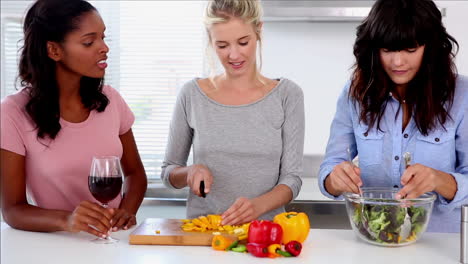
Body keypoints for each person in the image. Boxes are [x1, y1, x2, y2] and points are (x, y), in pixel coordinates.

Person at [0, 0, 147, 238]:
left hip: (113, 242)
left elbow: (135, 173)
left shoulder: (110, 100)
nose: (104, 48)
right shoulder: (12, 112)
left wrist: (127, 211)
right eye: (89, 42)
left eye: (103, 37)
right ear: (54, 50)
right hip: (57, 245)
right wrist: (67, 220)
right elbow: (12, 210)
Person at [318, 0, 467, 233]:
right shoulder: (355, 93)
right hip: (375, 239)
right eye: (387, 50)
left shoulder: (462, 96)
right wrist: (334, 179)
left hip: (442, 245)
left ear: (431, 47)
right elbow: (331, 166)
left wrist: (439, 180)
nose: (397, 62)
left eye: (410, 49)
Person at [161, 0, 304, 226]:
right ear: (210, 41)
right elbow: (169, 173)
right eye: (222, 45)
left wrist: (258, 206)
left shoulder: (287, 95)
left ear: (258, 30)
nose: (234, 55)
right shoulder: (192, 94)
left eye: (243, 42)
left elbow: (292, 180)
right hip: (205, 233)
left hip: (266, 235)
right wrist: (190, 171)